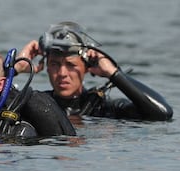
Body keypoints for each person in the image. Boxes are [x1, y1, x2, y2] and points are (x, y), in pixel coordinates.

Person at [15, 21, 173, 121]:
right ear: (46, 67)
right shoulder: (36, 103)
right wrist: (16, 68)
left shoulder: (103, 109)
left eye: (71, 65)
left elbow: (162, 113)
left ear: (86, 67)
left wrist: (113, 73)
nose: (62, 73)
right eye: (55, 64)